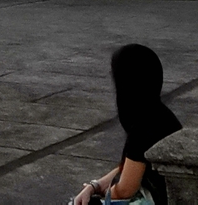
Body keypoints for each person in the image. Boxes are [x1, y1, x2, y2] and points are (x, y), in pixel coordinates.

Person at [73, 43, 180, 205]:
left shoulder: (145, 124)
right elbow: (129, 168)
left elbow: (125, 189)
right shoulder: (160, 114)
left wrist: (103, 195)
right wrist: (94, 186)